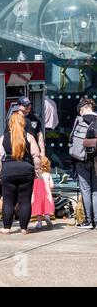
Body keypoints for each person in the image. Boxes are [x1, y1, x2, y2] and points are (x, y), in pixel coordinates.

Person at [0, 112, 41, 235]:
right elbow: (36, 155)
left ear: (10, 123)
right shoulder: (29, 137)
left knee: (8, 200)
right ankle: (24, 228)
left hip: (8, 171)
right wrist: (38, 170)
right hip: (26, 171)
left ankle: (6, 228)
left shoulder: (3, 138)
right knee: (25, 200)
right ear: (23, 123)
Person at [72, 98, 97, 229]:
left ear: (82, 109)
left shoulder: (80, 120)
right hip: (96, 160)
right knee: (95, 190)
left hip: (82, 160)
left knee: (86, 190)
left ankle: (88, 221)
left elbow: (73, 140)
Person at [32, 156, 55, 229]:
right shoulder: (48, 174)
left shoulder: (36, 175)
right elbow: (52, 185)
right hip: (47, 195)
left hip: (38, 196)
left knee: (39, 209)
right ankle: (47, 217)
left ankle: (39, 223)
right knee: (47, 208)